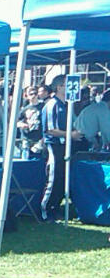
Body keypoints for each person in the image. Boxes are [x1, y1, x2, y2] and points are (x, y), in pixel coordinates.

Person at [41, 74, 84, 221]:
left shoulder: (64, 105)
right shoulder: (52, 104)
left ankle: (55, 208)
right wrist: (70, 135)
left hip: (64, 145)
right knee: (53, 178)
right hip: (54, 146)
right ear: (59, 87)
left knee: (62, 178)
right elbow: (50, 129)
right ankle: (45, 210)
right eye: (66, 85)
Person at [17, 85, 45, 156]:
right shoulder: (24, 109)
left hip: (39, 138)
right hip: (26, 138)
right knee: (25, 158)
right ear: (27, 96)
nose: (33, 96)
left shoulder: (43, 107)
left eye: (35, 93)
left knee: (37, 158)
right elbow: (16, 122)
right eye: (31, 94)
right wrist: (22, 125)